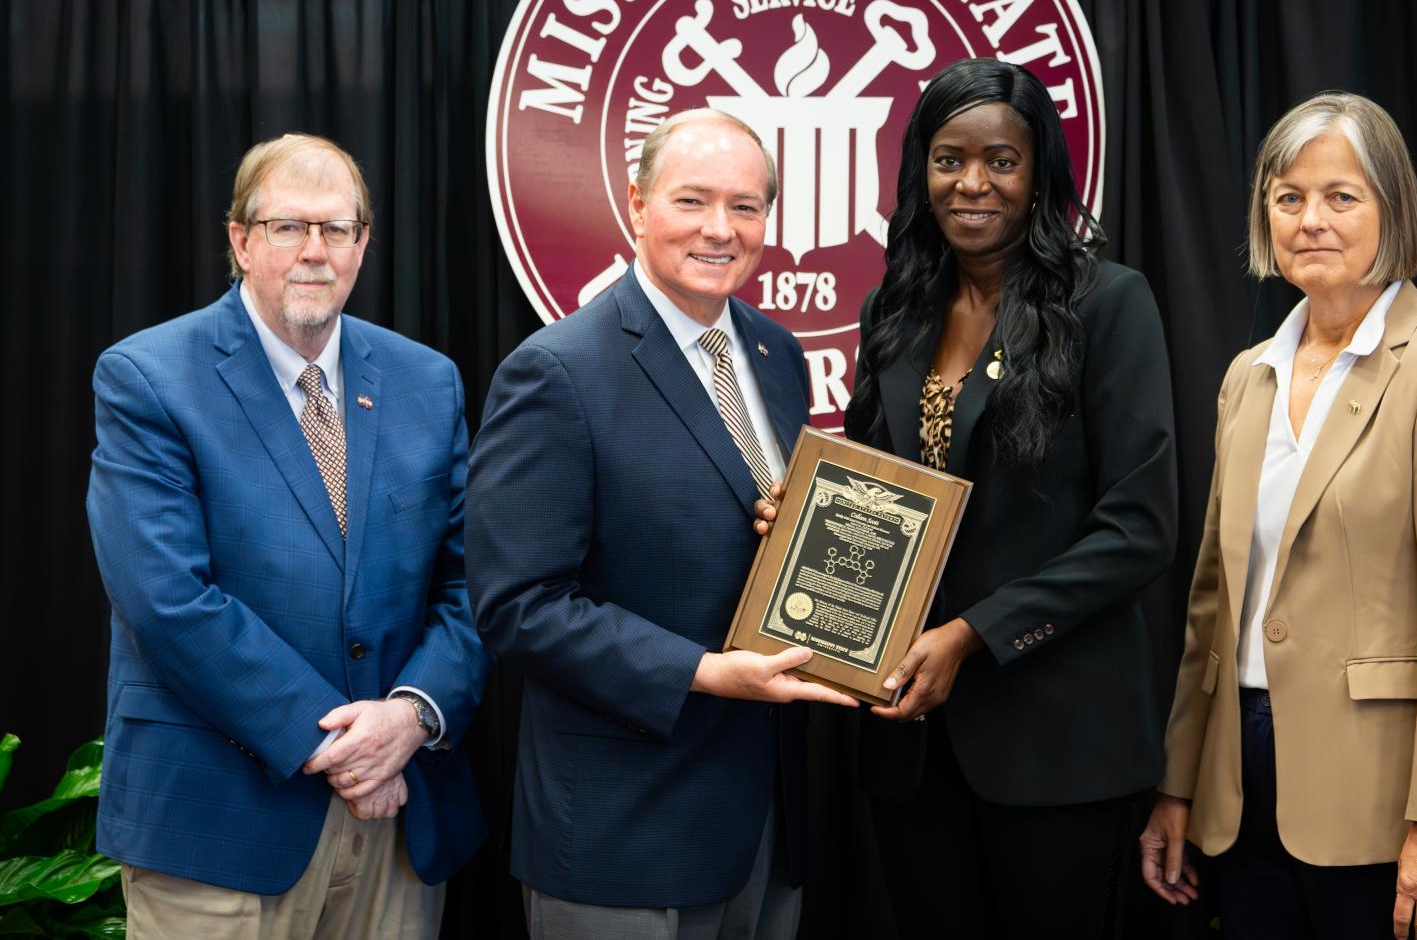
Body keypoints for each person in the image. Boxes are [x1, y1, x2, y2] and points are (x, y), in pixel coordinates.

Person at [1139, 92, 1417, 940]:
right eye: (1288, 197)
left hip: (1391, 803)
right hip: (1244, 792)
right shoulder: (1249, 375)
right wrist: (1180, 783)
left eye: (1340, 196)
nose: (1310, 218)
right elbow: (1213, 605)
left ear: (1394, 209)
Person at [86, 134, 492, 938]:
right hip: (219, 821)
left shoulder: (427, 380)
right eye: (287, 227)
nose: (314, 250)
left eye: (336, 228)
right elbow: (167, 600)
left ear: (363, 243)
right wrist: (345, 747)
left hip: (397, 821)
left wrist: (411, 716)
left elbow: (475, 581)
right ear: (240, 240)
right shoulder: (148, 377)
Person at [466, 108, 858, 940]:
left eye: (745, 206)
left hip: (765, 823)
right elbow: (517, 605)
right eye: (693, 200)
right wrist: (705, 672)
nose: (721, 228)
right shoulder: (557, 370)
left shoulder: (777, 354)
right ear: (638, 205)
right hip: (625, 832)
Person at [818, 57, 1180, 935]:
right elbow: (878, 488)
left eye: (1001, 161)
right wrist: (808, 521)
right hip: (910, 739)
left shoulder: (1108, 302)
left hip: (1057, 738)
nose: (972, 183)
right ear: (922, 171)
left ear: (1039, 172)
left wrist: (972, 634)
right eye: (949, 159)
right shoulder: (893, 309)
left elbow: (1139, 528)